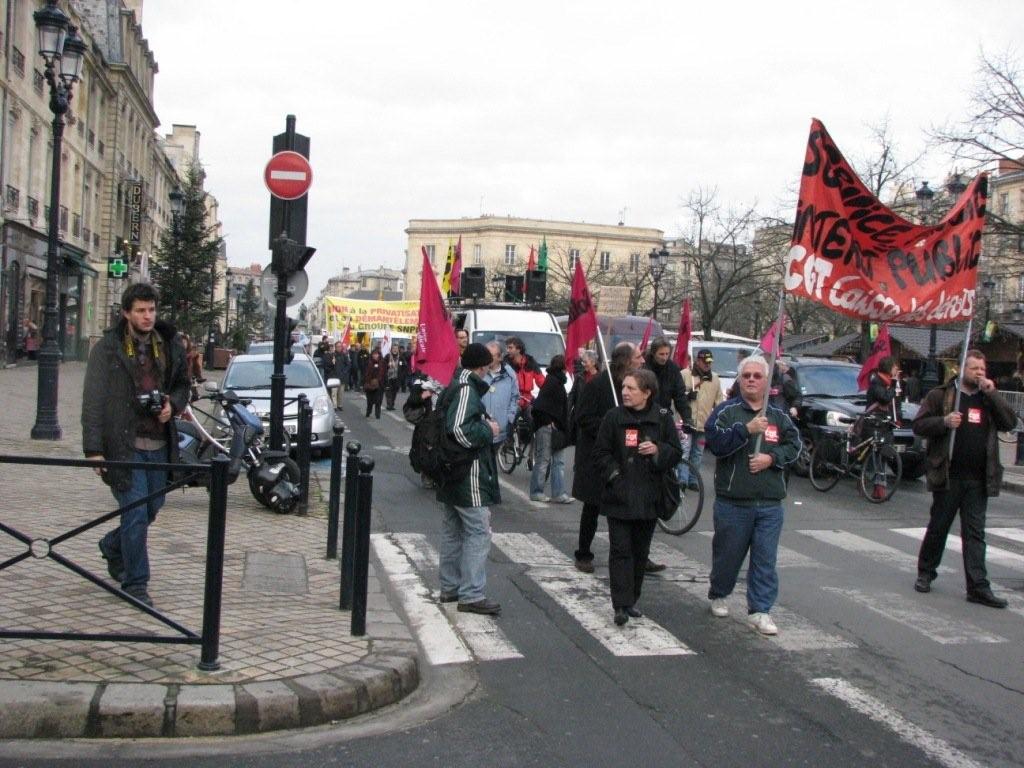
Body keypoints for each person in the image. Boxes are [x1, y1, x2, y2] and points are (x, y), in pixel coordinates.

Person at [82, 283, 190, 607]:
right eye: (141, 310)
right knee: (135, 514)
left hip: (158, 442)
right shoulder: (108, 348)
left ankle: (113, 546)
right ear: (127, 313)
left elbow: (184, 385)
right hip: (122, 444)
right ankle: (136, 584)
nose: (147, 316)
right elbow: (92, 400)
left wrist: (174, 404)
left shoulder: (170, 345)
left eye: (151, 310)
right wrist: (93, 449)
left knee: (150, 510)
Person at [912, 349, 1017, 608]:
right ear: (962, 369)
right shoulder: (942, 395)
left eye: (982, 369)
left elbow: (1009, 423)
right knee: (939, 527)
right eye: (974, 369)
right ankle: (926, 573)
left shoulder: (987, 398)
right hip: (949, 475)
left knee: (975, 534)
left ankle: (978, 587)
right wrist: (944, 422)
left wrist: (992, 393)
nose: (979, 374)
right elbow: (919, 425)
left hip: (979, 478)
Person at [704, 355, 801, 636]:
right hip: (734, 502)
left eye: (757, 376)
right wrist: (746, 430)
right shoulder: (726, 411)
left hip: (769, 504)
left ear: (767, 381)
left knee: (765, 559)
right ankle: (719, 592)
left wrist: (772, 458)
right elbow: (716, 444)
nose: (751, 380)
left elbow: (795, 446)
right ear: (739, 379)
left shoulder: (779, 416)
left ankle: (760, 610)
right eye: (746, 375)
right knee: (728, 556)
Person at [592, 368, 682, 626]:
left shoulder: (663, 417)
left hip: (650, 496)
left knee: (640, 552)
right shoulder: (613, 417)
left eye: (631, 388)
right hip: (619, 496)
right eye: (624, 387)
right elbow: (600, 453)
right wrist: (615, 476)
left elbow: (675, 451)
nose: (625, 392)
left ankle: (632, 600)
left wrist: (658, 450)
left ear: (647, 393)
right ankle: (620, 605)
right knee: (621, 550)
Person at [573, 342, 666, 574]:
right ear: (625, 360)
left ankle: (640, 555)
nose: (643, 360)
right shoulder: (598, 385)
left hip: (632, 459)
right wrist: (610, 431)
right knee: (593, 507)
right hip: (600, 458)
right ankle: (583, 553)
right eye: (638, 357)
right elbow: (583, 418)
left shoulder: (638, 387)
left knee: (636, 508)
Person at [437, 343, 503, 616]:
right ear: (481, 366)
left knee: (453, 532)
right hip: (468, 473)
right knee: (478, 531)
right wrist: (488, 429)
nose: (489, 372)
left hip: (453, 472)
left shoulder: (455, 384)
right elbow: (460, 431)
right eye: (488, 367)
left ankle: (450, 587)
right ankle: (471, 593)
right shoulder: (467, 389)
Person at [681, 348, 725, 490]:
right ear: (698, 360)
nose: (707, 365)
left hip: (704, 423)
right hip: (686, 422)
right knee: (685, 450)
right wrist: (687, 395)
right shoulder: (685, 375)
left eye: (709, 362)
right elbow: (677, 395)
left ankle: (693, 480)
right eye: (705, 362)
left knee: (698, 453)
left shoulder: (715, 379)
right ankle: (682, 479)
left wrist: (717, 419)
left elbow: (718, 401)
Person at [530, 354, 572, 503]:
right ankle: (537, 491)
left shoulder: (555, 381)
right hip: (547, 427)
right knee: (544, 460)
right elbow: (540, 406)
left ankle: (559, 493)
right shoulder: (553, 382)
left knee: (558, 461)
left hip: (556, 428)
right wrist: (548, 421)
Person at [481, 341, 519, 452]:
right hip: (482, 427)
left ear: (499, 357)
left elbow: (515, 397)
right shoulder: (480, 371)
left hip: (501, 427)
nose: (487, 358)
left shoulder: (509, 374)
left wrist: (509, 417)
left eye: (491, 356)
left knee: (492, 461)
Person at [505, 336, 545, 408]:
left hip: (528, 399)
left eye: (510, 348)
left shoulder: (530, 362)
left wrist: (549, 392)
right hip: (511, 399)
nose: (507, 350)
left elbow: (541, 380)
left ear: (518, 349)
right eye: (507, 348)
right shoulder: (505, 364)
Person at [865, 356, 903, 423]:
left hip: (889, 420)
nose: (897, 368)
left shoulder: (891, 382)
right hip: (876, 421)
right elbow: (884, 399)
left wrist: (898, 417)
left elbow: (897, 401)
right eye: (894, 366)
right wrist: (893, 385)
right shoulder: (877, 381)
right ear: (888, 367)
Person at [363, 348, 386, 418]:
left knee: (378, 401)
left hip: (379, 384)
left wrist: (379, 380)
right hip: (370, 384)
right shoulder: (368, 362)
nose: (375, 356)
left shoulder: (382, 362)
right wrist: (368, 381)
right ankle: (368, 412)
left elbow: (384, 373)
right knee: (369, 401)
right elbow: (365, 373)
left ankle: (377, 415)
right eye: (374, 354)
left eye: (377, 354)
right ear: (372, 355)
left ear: (379, 355)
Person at [384, 344, 402, 410]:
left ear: (398, 350)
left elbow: (404, 367)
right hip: (388, 377)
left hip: (397, 378)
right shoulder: (387, 356)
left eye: (396, 348)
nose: (395, 350)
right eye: (393, 348)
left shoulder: (401, 357)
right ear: (391, 349)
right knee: (388, 392)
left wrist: (402, 375)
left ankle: (392, 404)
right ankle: (389, 405)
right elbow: (382, 366)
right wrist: (387, 365)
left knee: (394, 392)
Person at [332, 341, 348, 410]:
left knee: (340, 393)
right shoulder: (332, 355)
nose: (339, 348)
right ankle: (334, 406)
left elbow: (348, 365)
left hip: (342, 377)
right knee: (334, 393)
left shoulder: (344, 355)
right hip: (334, 377)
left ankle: (339, 405)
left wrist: (344, 371)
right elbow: (329, 365)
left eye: (340, 346)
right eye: (337, 347)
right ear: (335, 347)